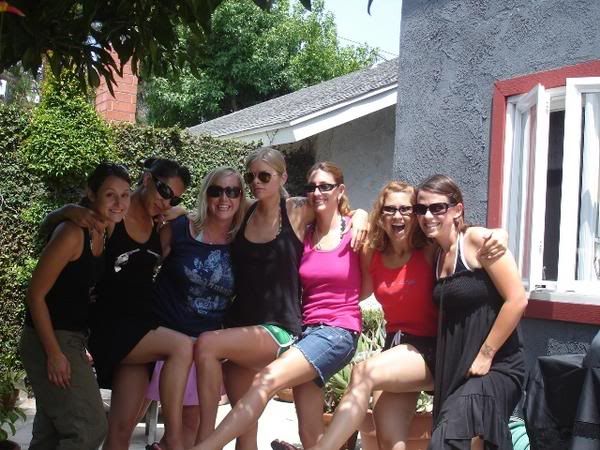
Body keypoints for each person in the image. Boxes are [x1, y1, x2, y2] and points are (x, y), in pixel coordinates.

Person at [298, 181, 506, 450]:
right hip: (396, 347)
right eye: (389, 209)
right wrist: (359, 214)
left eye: (406, 209)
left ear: (415, 214)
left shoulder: (430, 249)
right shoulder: (373, 253)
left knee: (363, 372)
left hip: (432, 348)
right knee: (388, 439)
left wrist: (500, 234)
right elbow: (346, 256)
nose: (397, 216)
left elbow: (465, 236)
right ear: (380, 215)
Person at [192, 148, 368, 449]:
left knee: (207, 344)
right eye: (250, 177)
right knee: (247, 431)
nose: (256, 183)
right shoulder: (244, 211)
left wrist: (362, 214)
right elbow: (209, 217)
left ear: (282, 177)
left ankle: (204, 441)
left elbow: (334, 210)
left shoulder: (297, 210)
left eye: (265, 176)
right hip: (240, 326)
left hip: (278, 327)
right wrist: (173, 216)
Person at [45, 158, 194, 450]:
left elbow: (193, 217)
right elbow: (59, 225)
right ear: (146, 179)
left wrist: (180, 209)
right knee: (181, 346)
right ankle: (173, 439)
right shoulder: (112, 217)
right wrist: (66, 210)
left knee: (121, 430)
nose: (166, 202)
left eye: (174, 198)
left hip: (142, 329)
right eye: (164, 191)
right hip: (111, 326)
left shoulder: (159, 225)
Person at [20, 163, 131, 450]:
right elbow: (35, 296)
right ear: (91, 194)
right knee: (90, 428)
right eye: (110, 194)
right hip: (48, 339)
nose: (119, 203)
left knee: (51, 433)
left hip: (71, 337)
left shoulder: (104, 229)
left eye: (125, 195)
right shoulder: (72, 232)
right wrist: (54, 353)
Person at [416, 174, 527, 450]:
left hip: (496, 365)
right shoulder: (436, 253)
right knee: (464, 440)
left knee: (447, 440)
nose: (427, 216)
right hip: (456, 365)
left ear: (457, 209)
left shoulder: (475, 240)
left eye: (437, 207)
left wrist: (486, 354)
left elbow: (517, 299)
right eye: (421, 208)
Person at [144, 167, 247, 449]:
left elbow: (277, 205)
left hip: (205, 348)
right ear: (205, 194)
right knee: (130, 420)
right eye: (216, 191)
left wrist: (355, 215)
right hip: (165, 339)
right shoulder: (180, 229)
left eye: (232, 192)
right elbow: (141, 266)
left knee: (191, 424)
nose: (224, 198)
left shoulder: (244, 240)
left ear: (241, 197)